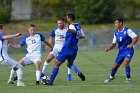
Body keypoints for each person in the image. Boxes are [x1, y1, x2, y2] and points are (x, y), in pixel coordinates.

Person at [42, 13, 85, 85]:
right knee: (69, 64)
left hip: (67, 48)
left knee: (56, 64)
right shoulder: (78, 26)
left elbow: (73, 31)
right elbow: (83, 36)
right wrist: (75, 36)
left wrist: (70, 30)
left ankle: (50, 81)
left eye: (67, 18)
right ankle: (78, 72)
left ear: (69, 19)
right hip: (74, 49)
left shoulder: (71, 26)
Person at [104, 18, 138, 83]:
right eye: (115, 23)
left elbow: (135, 37)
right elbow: (114, 44)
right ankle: (111, 76)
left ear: (121, 23)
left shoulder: (127, 30)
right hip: (121, 52)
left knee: (126, 62)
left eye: (116, 23)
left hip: (128, 50)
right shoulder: (116, 33)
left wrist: (131, 44)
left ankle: (128, 78)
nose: (115, 25)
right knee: (115, 66)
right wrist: (109, 48)